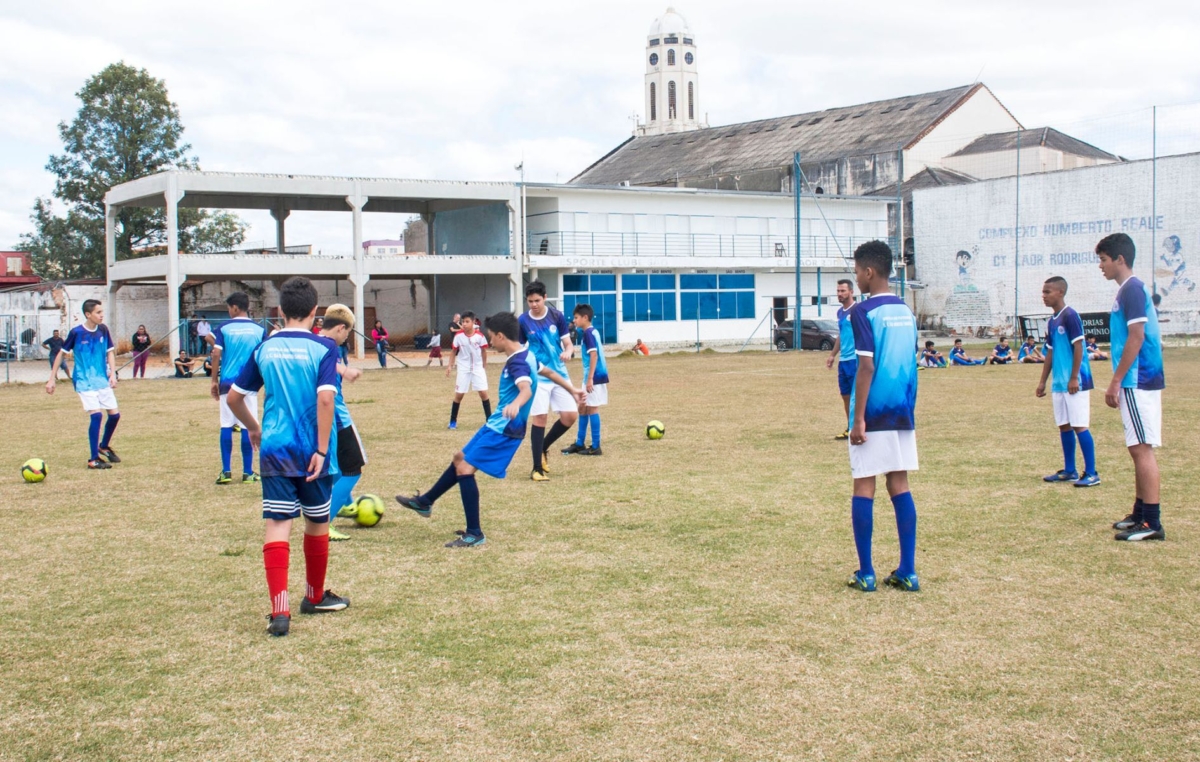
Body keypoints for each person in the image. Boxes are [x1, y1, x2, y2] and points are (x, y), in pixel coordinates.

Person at [225, 276, 349, 638]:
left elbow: (234, 398)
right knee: (317, 521)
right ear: (315, 313)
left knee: (278, 523)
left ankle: (279, 612)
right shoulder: (324, 348)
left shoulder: (265, 348)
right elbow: (326, 398)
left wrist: (254, 428)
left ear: (280, 310)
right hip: (314, 450)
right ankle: (313, 596)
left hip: (276, 448)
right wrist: (323, 449)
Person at [395, 312, 582, 548]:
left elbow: (525, 389)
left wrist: (516, 403)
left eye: (492, 337)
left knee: (464, 469)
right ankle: (425, 502)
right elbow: (549, 372)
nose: (490, 342)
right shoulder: (527, 355)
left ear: (502, 336)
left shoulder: (517, 362)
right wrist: (573, 389)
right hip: (495, 424)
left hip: (504, 430)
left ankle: (474, 533)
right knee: (459, 459)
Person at [846, 241, 920, 593]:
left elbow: (866, 366)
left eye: (857, 271)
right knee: (900, 484)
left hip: (873, 414)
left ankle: (867, 573)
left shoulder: (862, 312)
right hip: (903, 413)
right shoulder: (906, 310)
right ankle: (908, 570)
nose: (856, 277)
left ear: (869, 272)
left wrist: (858, 418)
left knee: (864, 485)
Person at [1097, 234, 1166, 541]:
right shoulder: (1127, 291)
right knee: (1136, 447)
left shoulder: (1133, 289)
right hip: (1133, 380)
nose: (1101, 266)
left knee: (1142, 448)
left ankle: (1152, 522)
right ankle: (1140, 512)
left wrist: (1115, 381)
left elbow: (1136, 337)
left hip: (1138, 379)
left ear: (1119, 259)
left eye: (1103, 259)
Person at [1036, 276, 1099, 488]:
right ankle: (1070, 470)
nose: (1043, 296)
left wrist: (1074, 377)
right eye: (1043, 292)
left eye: (1047, 292)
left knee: (1080, 425)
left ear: (1060, 292)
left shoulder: (1070, 316)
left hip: (1076, 381)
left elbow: (1079, 347)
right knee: (1064, 425)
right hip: (1059, 383)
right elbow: (1050, 353)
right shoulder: (1052, 321)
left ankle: (1091, 472)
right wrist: (1043, 381)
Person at [44, 300, 122, 470]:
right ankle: (93, 459)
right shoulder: (77, 333)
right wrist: (52, 378)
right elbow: (60, 355)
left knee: (115, 415)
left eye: (102, 311)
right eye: (98, 312)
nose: (102, 315)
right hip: (84, 381)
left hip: (101, 379)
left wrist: (113, 373)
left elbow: (110, 352)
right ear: (88, 314)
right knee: (96, 416)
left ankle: (104, 446)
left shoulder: (103, 330)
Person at [520, 281, 577, 481]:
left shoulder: (556, 316)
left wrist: (568, 353)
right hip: (538, 376)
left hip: (559, 373)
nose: (534, 304)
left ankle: (543, 446)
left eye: (537, 300)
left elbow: (568, 344)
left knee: (570, 416)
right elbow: (519, 349)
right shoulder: (523, 321)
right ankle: (536, 468)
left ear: (545, 297)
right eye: (530, 301)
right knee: (540, 418)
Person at [320, 305, 367, 542]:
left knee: (336, 468)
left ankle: (347, 505)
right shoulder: (329, 346)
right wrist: (344, 370)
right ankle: (324, 523)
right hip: (337, 417)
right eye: (347, 333)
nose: (345, 338)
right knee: (353, 470)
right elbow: (328, 361)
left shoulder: (313, 341)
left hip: (318, 418)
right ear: (340, 328)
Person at [210, 292, 266, 485]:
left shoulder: (224, 328)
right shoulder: (259, 329)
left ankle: (226, 472)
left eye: (228, 308)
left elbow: (216, 354)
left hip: (227, 382)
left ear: (234, 307)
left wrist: (213, 380)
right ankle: (248, 472)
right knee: (246, 425)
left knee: (226, 424)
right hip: (249, 383)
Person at [562, 304, 610, 456]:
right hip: (590, 377)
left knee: (592, 408)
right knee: (582, 407)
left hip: (593, 378)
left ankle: (596, 446)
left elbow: (594, 355)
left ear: (585, 318)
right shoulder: (592, 331)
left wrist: (590, 379)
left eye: (576, 317)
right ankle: (579, 443)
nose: (574, 321)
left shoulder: (588, 334)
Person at [447, 311, 491, 430]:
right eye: (463, 322)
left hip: (477, 366)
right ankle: (452, 421)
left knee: (483, 392)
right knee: (459, 394)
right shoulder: (458, 336)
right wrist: (450, 366)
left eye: (467, 322)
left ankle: (489, 420)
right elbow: (453, 352)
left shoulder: (480, 336)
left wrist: (483, 365)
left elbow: (483, 351)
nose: (464, 324)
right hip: (463, 367)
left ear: (473, 322)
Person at [825, 279, 857, 440]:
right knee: (845, 395)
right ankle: (850, 427)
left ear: (851, 292)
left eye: (843, 291)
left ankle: (862, 425)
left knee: (856, 395)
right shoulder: (840, 312)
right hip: (844, 361)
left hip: (855, 360)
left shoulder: (858, 310)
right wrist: (832, 355)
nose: (840, 294)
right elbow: (841, 335)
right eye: (838, 291)